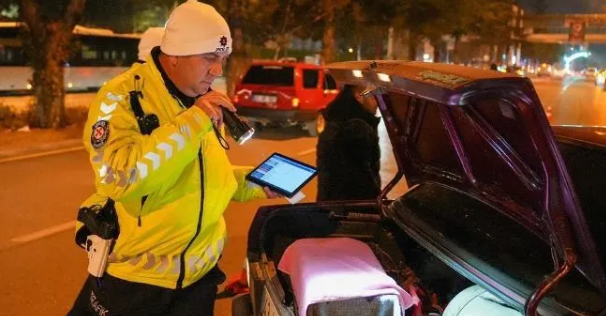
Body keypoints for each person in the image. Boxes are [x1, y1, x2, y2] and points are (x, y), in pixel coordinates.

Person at [68, 1, 280, 315]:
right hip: (138, 283)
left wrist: (256, 182)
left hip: (199, 281)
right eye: (209, 57)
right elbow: (118, 177)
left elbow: (204, 179)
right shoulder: (119, 97)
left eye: (222, 59)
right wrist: (193, 121)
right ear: (176, 54)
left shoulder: (199, 100)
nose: (217, 70)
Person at [316, 84, 381, 201]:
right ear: (359, 97)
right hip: (352, 209)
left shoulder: (335, 121)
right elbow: (363, 180)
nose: (378, 103)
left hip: (329, 203)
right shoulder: (358, 128)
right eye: (374, 97)